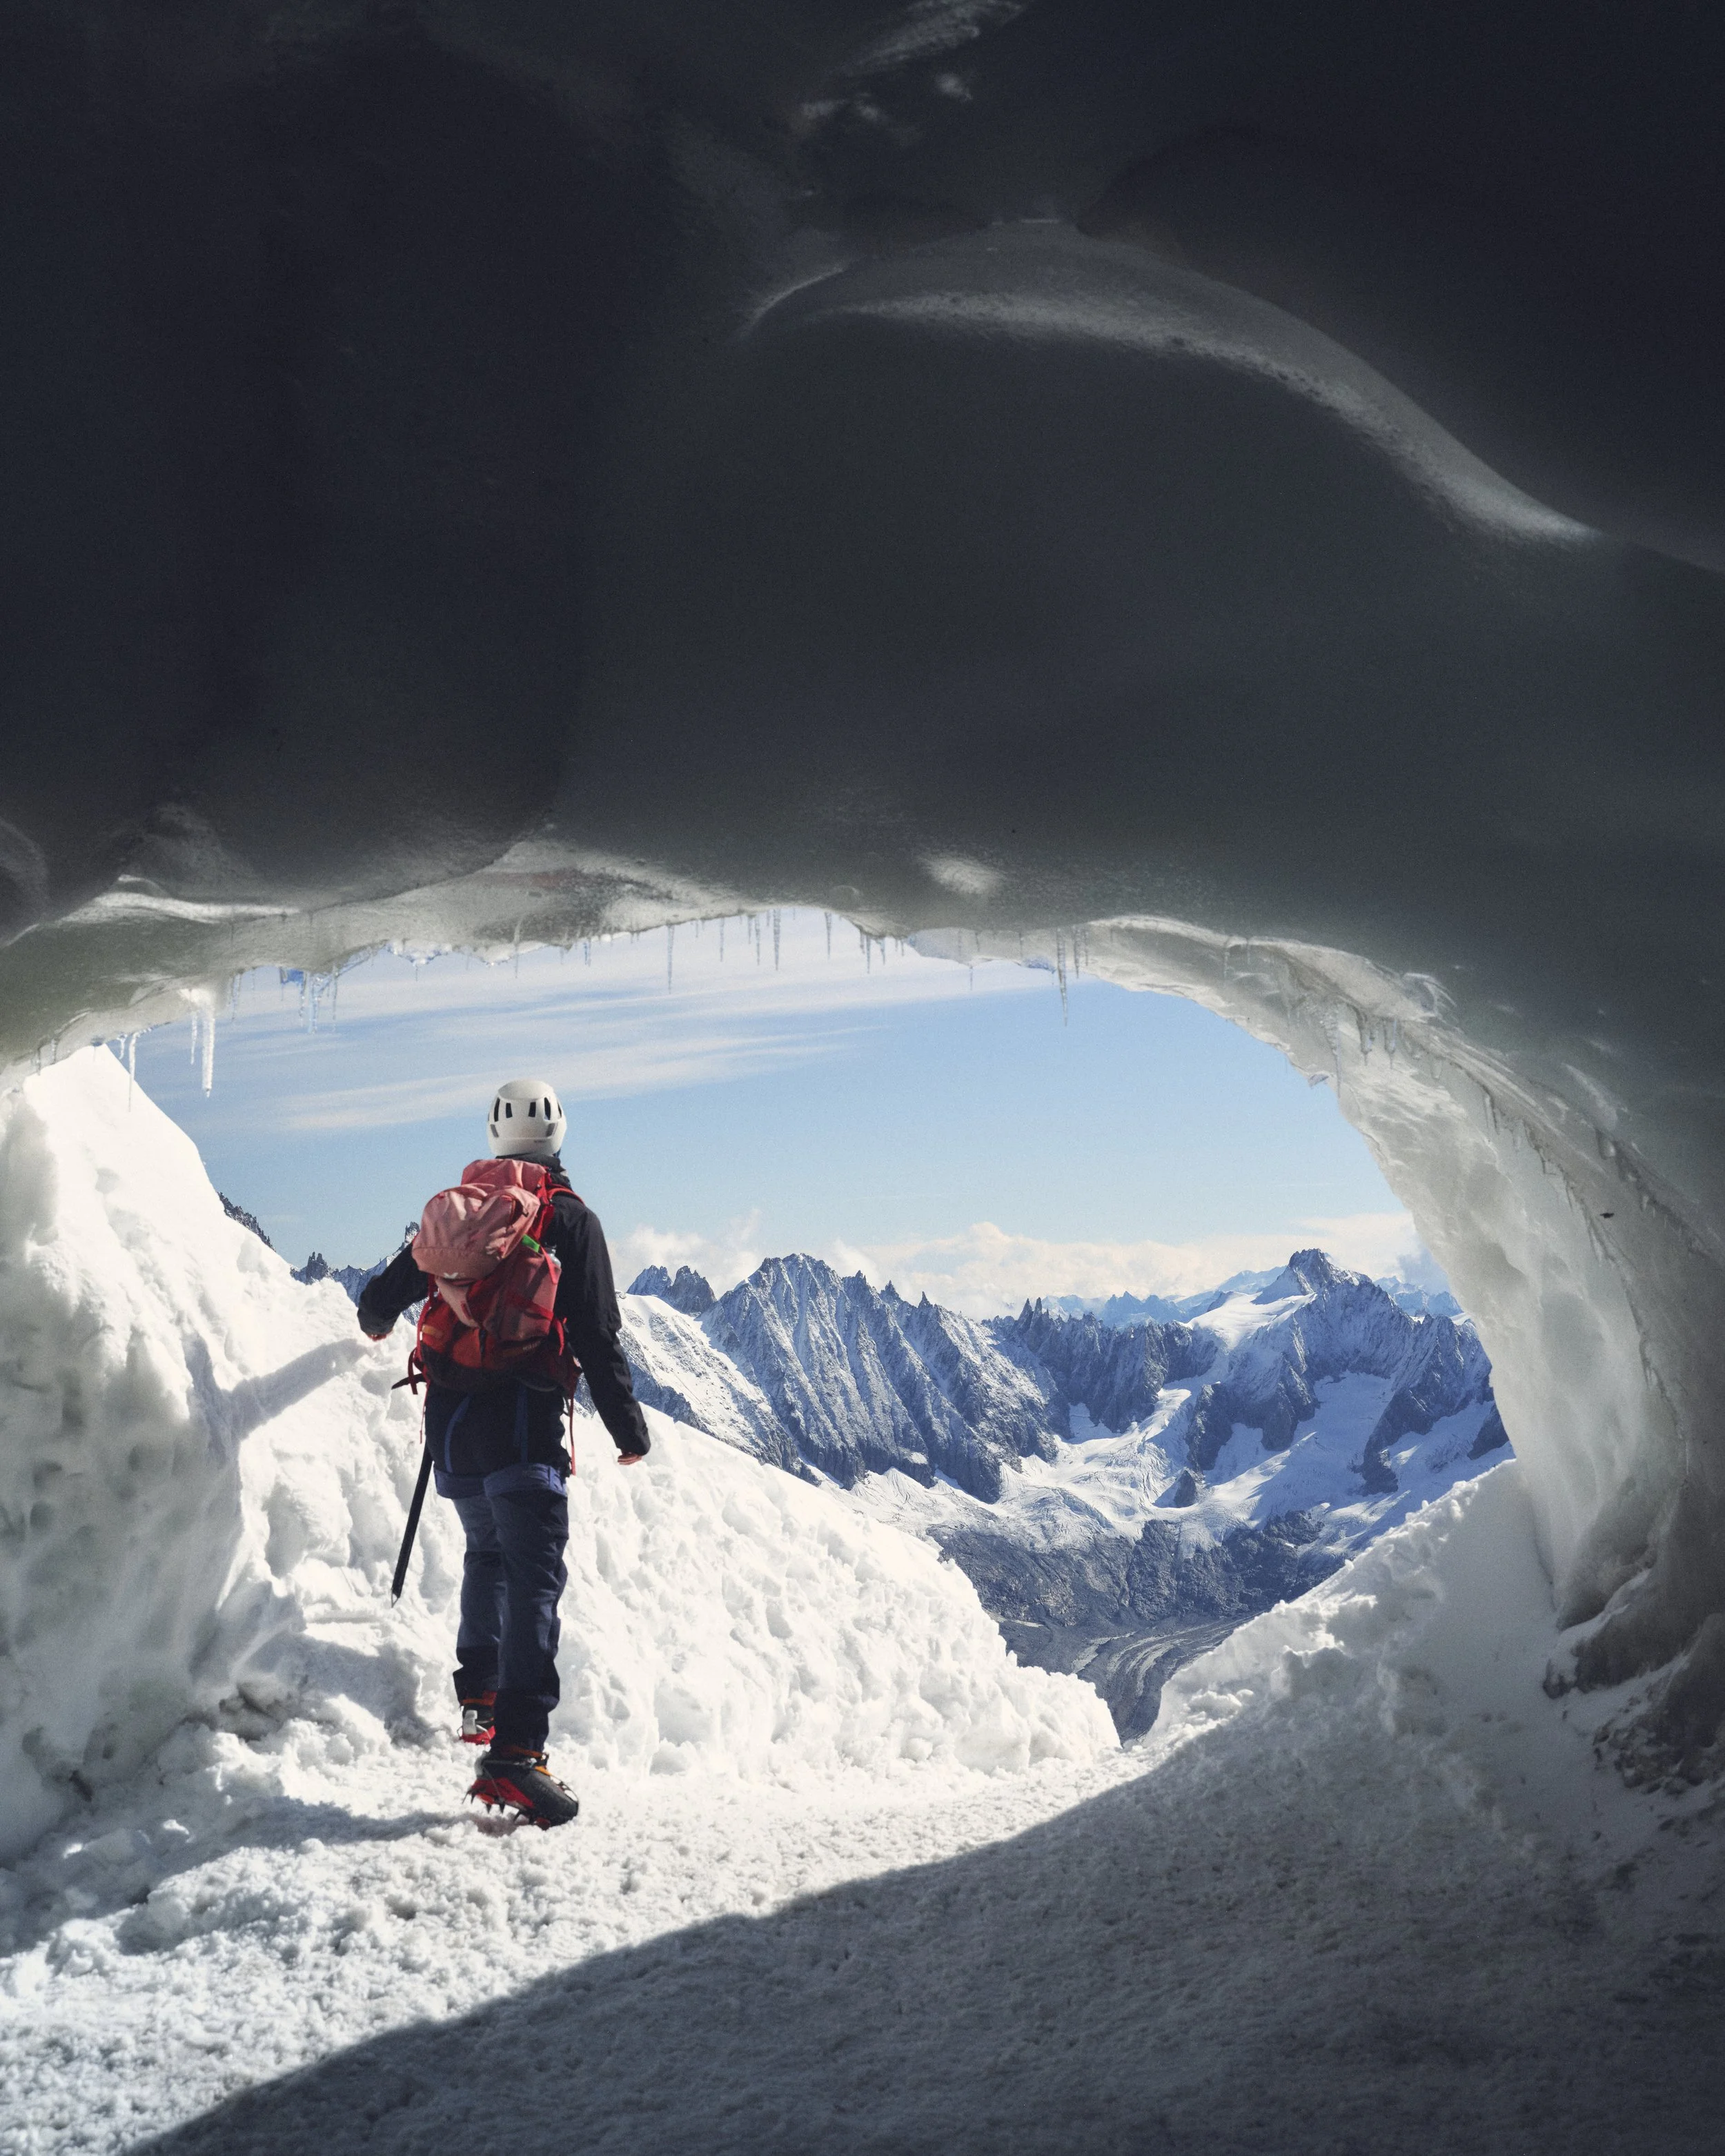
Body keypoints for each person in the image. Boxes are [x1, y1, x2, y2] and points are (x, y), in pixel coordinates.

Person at [357, 1076, 649, 1827]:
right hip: (524, 1431)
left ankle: (480, 1697)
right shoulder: (569, 1219)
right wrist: (627, 1430)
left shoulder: (456, 1211)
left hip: (452, 1430)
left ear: (494, 1137)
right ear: (558, 1136)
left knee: (486, 1555)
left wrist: (378, 1322)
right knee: (533, 1583)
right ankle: (517, 1754)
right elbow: (595, 1333)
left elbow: (379, 1297)